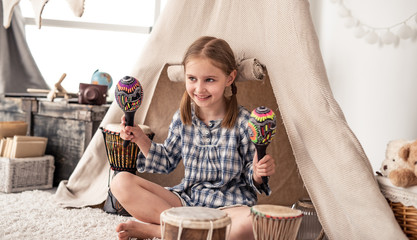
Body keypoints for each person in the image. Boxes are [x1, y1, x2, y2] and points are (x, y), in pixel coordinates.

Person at [111, 36, 276, 240]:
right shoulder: (183, 118)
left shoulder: (244, 122)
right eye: (192, 79)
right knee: (120, 182)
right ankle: (194, 232)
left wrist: (259, 173)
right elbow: (166, 161)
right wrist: (140, 138)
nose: (199, 89)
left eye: (209, 80)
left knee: (255, 223)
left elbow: (251, 176)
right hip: (186, 201)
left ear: (229, 78)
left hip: (230, 207)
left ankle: (162, 231)